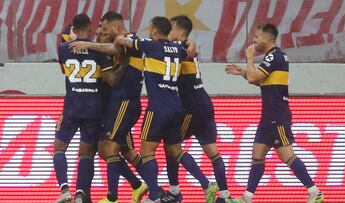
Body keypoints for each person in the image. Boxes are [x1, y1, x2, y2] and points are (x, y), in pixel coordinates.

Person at [114, 16, 218, 203]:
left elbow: (124, 41)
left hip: (158, 106)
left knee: (147, 151)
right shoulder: (178, 49)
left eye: (150, 28)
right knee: (175, 150)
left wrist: (119, 36)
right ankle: (206, 183)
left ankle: (154, 196)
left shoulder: (150, 45)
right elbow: (190, 53)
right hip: (176, 106)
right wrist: (190, 43)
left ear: (154, 31)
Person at [225, 23, 324, 203]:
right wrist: (242, 73)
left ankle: (315, 192)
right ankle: (247, 197)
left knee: (287, 156)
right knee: (257, 155)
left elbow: (255, 77)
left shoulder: (274, 55)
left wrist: (249, 58)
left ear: (266, 39)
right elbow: (260, 81)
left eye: (256, 37)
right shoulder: (274, 56)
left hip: (277, 115)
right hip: (268, 116)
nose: (254, 41)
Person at [70, 11, 148, 203]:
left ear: (112, 28)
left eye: (103, 28)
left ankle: (145, 189)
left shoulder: (123, 43)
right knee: (108, 151)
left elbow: (114, 51)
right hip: (104, 109)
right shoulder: (97, 50)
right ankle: (140, 186)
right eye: (98, 29)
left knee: (119, 149)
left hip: (120, 105)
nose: (100, 31)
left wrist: (88, 44)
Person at [166, 15, 240, 203]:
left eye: (171, 27)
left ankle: (188, 188)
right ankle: (225, 196)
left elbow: (183, 51)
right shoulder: (186, 47)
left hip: (191, 107)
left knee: (171, 147)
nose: (168, 30)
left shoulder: (180, 48)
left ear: (181, 32)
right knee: (213, 153)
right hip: (204, 104)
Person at [54, 13, 120, 203]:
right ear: (90, 29)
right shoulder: (99, 51)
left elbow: (63, 71)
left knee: (59, 149)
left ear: (74, 30)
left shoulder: (64, 49)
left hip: (72, 108)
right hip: (93, 109)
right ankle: (81, 193)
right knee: (86, 153)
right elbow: (111, 80)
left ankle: (64, 189)